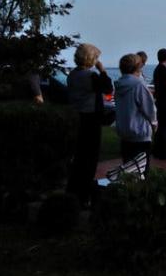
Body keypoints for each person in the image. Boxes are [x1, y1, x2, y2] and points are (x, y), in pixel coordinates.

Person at [66, 43, 114, 206]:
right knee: (89, 157)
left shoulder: (72, 74)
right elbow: (108, 88)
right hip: (91, 118)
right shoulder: (91, 76)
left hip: (77, 115)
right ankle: (83, 195)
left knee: (79, 156)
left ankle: (73, 191)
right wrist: (103, 70)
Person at [114, 53, 157, 171]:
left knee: (128, 169)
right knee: (141, 170)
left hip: (124, 132)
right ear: (137, 67)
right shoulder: (139, 85)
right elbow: (149, 109)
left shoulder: (119, 85)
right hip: (140, 134)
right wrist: (154, 124)